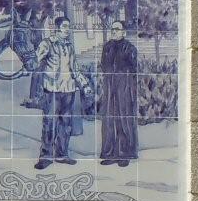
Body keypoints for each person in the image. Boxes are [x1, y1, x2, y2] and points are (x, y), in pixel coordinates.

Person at [31, 16, 92, 169]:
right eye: (65, 26)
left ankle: (62, 154)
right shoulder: (47, 43)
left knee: (66, 124)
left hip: (69, 89)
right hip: (52, 89)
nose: (67, 29)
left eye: (68, 26)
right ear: (57, 28)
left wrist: (85, 85)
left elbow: (75, 68)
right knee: (49, 123)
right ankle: (45, 156)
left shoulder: (69, 46)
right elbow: (34, 62)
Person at [98, 19, 140, 167]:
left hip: (124, 87)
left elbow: (135, 70)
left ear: (124, 32)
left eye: (117, 29)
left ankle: (124, 153)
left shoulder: (130, 48)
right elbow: (103, 65)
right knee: (109, 119)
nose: (114, 31)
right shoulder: (107, 47)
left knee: (124, 118)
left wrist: (128, 86)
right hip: (110, 86)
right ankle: (109, 153)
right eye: (112, 29)